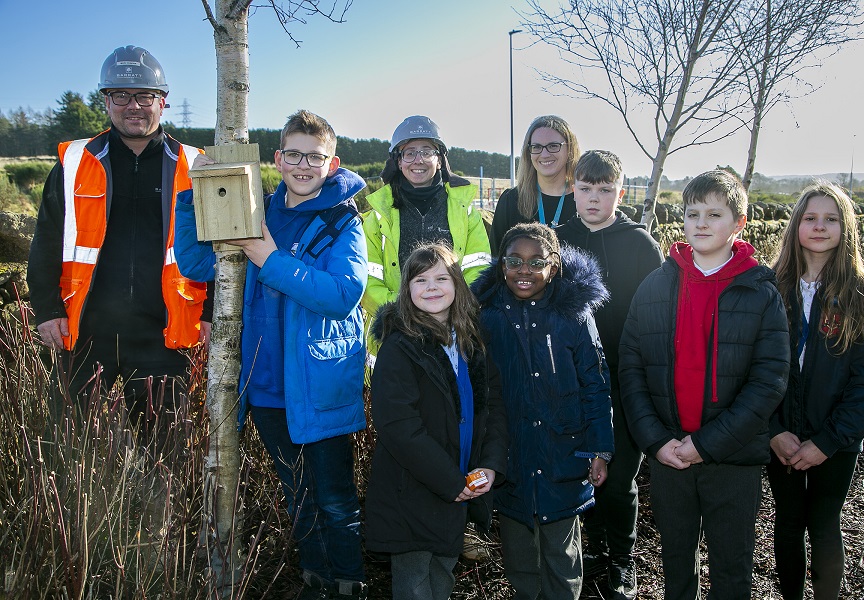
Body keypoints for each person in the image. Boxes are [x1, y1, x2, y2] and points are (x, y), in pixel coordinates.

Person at [174, 110, 369, 600]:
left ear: (332, 162)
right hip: (265, 386)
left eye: (315, 157)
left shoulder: (342, 220)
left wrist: (268, 258)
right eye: (295, 154)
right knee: (297, 494)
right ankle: (314, 580)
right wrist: (195, 197)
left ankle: (348, 584)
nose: (303, 165)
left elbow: (342, 293)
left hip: (320, 384)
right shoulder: (253, 208)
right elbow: (197, 263)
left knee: (334, 496)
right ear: (278, 158)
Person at [618, 169, 790, 600]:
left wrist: (707, 444)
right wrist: (656, 442)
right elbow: (631, 368)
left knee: (731, 571)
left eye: (714, 214)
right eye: (693, 213)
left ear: (739, 223)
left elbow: (769, 381)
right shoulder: (656, 285)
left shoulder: (760, 292)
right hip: (669, 455)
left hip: (733, 460)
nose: (701, 223)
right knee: (677, 565)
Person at [27, 45, 210, 423]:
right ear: (106, 102)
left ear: (163, 102)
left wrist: (209, 313)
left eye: (145, 95)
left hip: (165, 333)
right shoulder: (74, 163)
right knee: (67, 448)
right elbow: (46, 240)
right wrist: (46, 310)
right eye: (121, 95)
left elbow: (221, 250)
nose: (134, 106)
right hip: (83, 330)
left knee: (166, 455)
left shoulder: (196, 166)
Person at [471, 222, 614, 600]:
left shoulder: (574, 315)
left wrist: (599, 449)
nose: (524, 270)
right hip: (510, 456)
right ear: (502, 264)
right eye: (515, 260)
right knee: (519, 558)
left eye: (537, 262)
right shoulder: (487, 316)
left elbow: (596, 384)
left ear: (555, 266)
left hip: (563, 456)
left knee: (562, 559)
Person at [767, 181, 864, 600]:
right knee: (786, 523)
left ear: (846, 227)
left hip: (836, 440)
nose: (820, 226)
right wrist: (772, 429)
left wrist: (827, 441)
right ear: (795, 226)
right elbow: (750, 368)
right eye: (810, 218)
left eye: (831, 219)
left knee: (824, 523)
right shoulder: (771, 288)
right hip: (781, 435)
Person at [365, 243, 507, 600]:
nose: (431, 287)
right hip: (413, 489)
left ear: (457, 284)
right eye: (420, 280)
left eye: (442, 278)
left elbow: (492, 406)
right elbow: (398, 425)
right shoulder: (400, 347)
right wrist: (449, 480)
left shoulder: (471, 341)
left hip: (459, 483)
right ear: (407, 290)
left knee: (443, 573)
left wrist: (489, 465)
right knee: (415, 583)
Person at [555, 150, 663, 599]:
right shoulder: (555, 240)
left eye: (604, 190)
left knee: (618, 479)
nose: (594, 198)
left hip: (625, 377)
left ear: (621, 193)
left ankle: (622, 559)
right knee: (582, 470)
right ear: (572, 189)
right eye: (585, 188)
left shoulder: (640, 245)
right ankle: (593, 550)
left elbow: (657, 318)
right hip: (570, 380)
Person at [361, 115, 491, 323]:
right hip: (395, 328)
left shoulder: (465, 211)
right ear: (399, 161)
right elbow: (367, 279)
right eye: (410, 153)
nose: (418, 160)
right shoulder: (378, 215)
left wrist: (449, 312)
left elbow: (479, 270)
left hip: (453, 327)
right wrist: (403, 313)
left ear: (439, 160)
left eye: (427, 152)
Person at [488, 115, 580, 253]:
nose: (544, 154)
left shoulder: (584, 200)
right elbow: (496, 260)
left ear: (570, 149)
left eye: (553, 146)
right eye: (536, 147)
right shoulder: (511, 200)